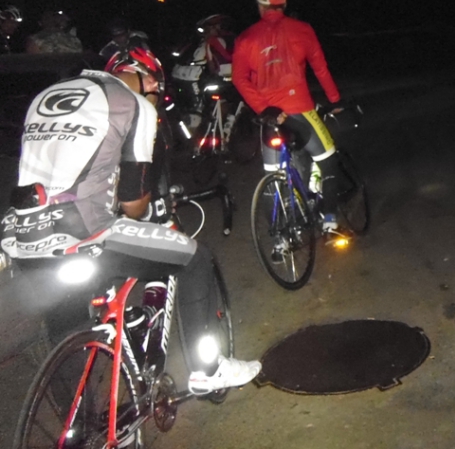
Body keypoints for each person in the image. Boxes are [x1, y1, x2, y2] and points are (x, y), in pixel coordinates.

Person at [0, 47, 261, 393]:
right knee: (197, 259)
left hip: (19, 232)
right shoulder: (133, 104)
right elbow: (134, 205)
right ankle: (208, 371)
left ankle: (77, 420)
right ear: (150, 81)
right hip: (83, 230)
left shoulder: (46, 95)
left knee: (65, 321)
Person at [231, 0, 348, 233]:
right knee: (328, 161)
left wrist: (264, 108)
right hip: (300, 110)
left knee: (273, 176)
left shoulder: (246, 38)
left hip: (269, 118)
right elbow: (321, 69)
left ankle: (280, 236)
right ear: (283, 5)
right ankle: (329, 222)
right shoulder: (303, 29)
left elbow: (239, 79)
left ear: (260, 6)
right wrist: (335, 99)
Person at [195, 14, 234, 79]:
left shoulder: (216, 40)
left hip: (230, 71)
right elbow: (210, 60)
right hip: (224, 73)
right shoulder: (211, 41)